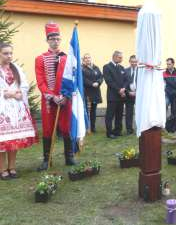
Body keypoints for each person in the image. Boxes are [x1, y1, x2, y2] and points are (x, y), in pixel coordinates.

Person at [35, 22, 76, 171]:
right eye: (52, 38)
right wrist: (52, 96)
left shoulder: (67, 58)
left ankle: (69, 157)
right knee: (47, 129)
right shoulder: (40, 59)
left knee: (66, 127)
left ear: (60, 40)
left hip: (65, 99)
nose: (55, 41)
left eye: (57, 38)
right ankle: (47, 159)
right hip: (49, 100)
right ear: (47, 40)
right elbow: (41, 82)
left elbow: (72, 78)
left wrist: (65, 96)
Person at [0, 43, 38, 179]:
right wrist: (9, 94)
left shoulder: (16, 68)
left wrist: (20, 93)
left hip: (16, 108)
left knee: (14, 139)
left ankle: (12, 167)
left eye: (10, 53)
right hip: (2, 110)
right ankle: (2, 169)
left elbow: (24, 85)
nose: (9, 56)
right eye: (5, 53)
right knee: (3, 141)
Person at [103, 50, 127, 139]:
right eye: (120, 57)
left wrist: (124, 88)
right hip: (112, 96)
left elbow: (126, 80)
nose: (121, 59)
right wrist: (119, 89)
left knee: (119, 115)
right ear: (114, 57)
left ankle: (117, 131)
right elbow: (109, 81)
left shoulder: (121, 68)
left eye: (121, 57)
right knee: (110, 115)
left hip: (121, 96)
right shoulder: (107, 67)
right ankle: (109, 133)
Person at [82, 53, 103, 133]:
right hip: (87, 92)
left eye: (89, 58)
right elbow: (83, 79)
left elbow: (101, 76)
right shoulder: (82, 69)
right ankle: (87, 128)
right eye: (86, 58)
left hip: (96, 92)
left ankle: (93, 128)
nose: (88, 59)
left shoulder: (96, 67)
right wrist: (91, 83)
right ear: (83, 60)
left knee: (93, 110)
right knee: (87, 111)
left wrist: (98, 82)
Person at [124, 55, 138, 135]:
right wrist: (128, 91)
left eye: (135, 62)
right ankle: (129, 129)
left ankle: (140, 128)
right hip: (129, 94)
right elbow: (123, 82)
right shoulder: (125, 71)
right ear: (129, 62)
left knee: (139, 112)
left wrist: (137, 92)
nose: (134, 63)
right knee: (129, 112)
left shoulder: (141, 71)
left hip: (139, 95)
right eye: (132, 62)